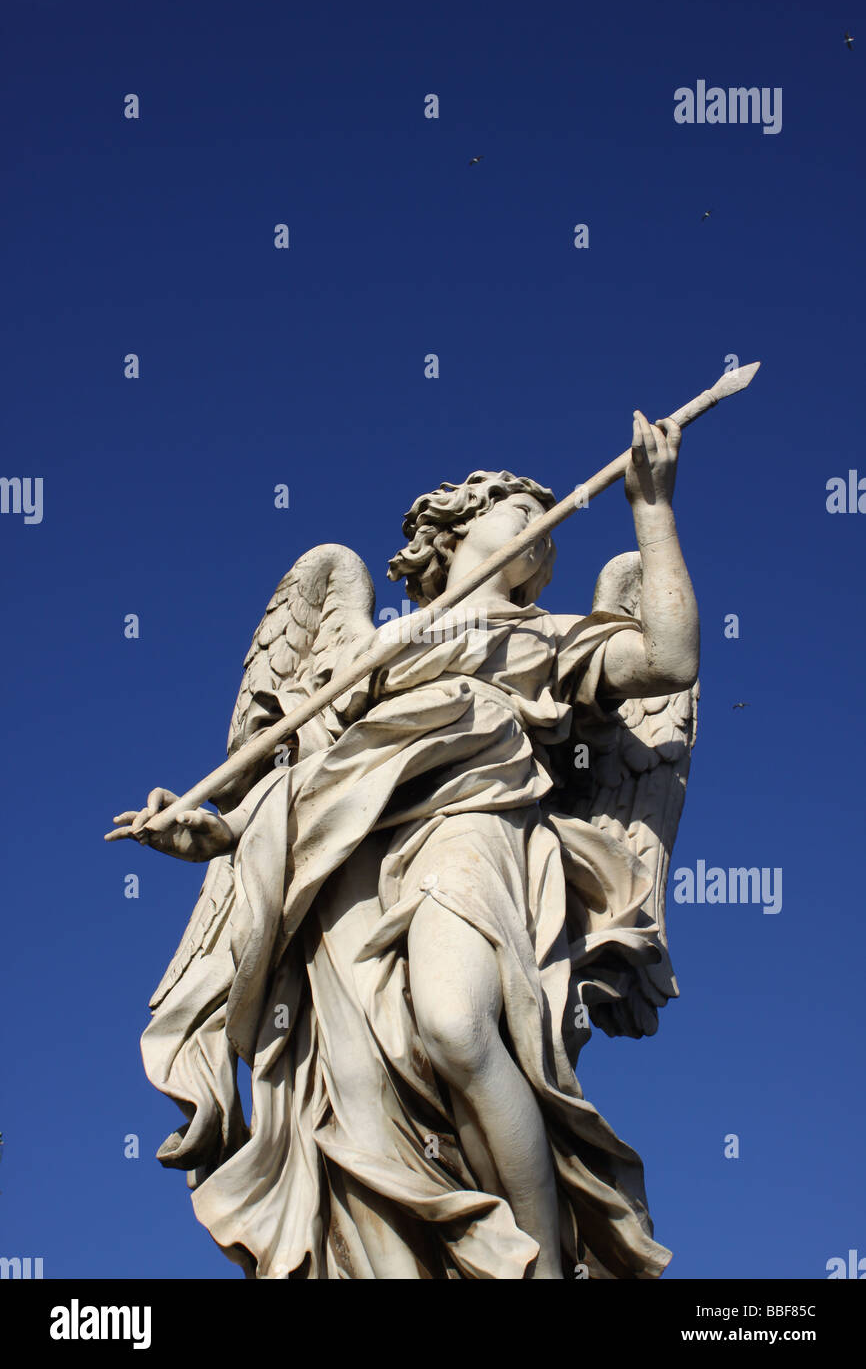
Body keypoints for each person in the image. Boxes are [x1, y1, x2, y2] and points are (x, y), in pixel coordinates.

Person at [108, 410, 698, 1279]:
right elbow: (303, 781)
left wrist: (653, 508)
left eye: (548, 525)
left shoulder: (546, 637)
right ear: (457, 529)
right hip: (346, 861)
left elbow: (671, 660)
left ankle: (539, 1267)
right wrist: (218, 831)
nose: (546, 530)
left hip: (474, 826)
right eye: (521, 510)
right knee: (358, 1088)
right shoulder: (368, 646)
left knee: (457, 1028)